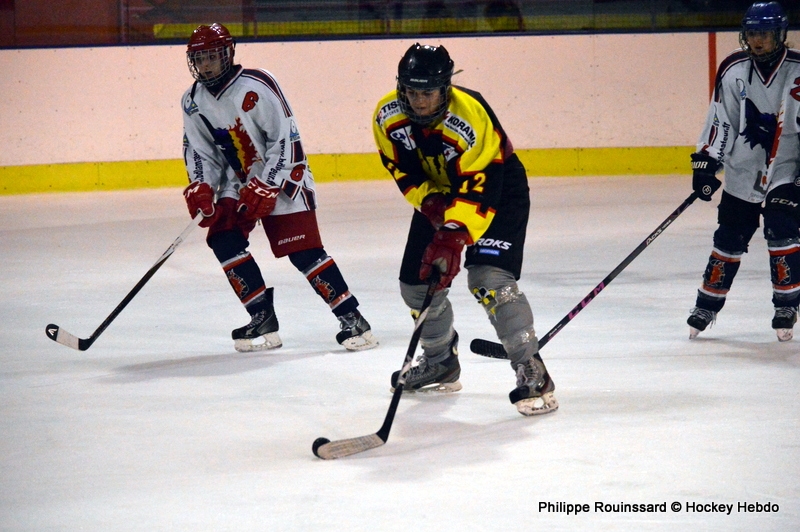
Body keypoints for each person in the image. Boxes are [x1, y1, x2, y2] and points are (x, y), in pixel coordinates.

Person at [372, 43, 557, 416]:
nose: (418, 101)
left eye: (427, 93)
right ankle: (440, 360)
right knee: (417, 284)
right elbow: (401, 170)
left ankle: (531, 369)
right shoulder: (386, 115)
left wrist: (454, 234)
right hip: (441, 194)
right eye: (411, 91)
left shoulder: (469, 115)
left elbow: (481, 184)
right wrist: (429, 203)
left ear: (445, 88)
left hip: (498, 190)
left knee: (488, 278)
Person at [181, 23, 378, 352]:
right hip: (237, 180)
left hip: (284, 175)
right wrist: (201, 185)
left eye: (212, 57)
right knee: (224, 239)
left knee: (303, 252)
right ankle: (262, 317)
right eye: (199, 59)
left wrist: (268, 183)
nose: (206, 66)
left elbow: (286, 138)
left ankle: (353, 320)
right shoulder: (192, 100)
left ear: (228, 53)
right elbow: (200, 151)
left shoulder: (257, 84)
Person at [687, 2, 800, 342]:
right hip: (744, 165)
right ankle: (707, 304)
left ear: (779, 34)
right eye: (752, 33)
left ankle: (787, 303)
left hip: (788, 166)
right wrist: (707, 162)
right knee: (730, 235)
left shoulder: (797, 70)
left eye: (764, 33)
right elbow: (721, 119)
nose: (757, 40)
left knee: (781, 226)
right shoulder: (733, 69)